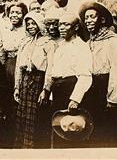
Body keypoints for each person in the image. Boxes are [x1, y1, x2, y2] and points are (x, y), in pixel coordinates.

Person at [79, 1, 117, 147]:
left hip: (106, 87)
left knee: (108, 131)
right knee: (92, 130)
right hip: (91, 90)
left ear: (102, 20)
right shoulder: (89, 43)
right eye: (86, 18)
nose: (88, 21)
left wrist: (113, 98)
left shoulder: (113, 42)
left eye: (92, 17)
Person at [42, 12, 93, 148]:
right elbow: (54, 71)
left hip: (70, 90)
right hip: (58, 91)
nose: (62, 28)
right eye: (60, 25)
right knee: (59, 127)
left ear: (76, 27)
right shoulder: (60, 45)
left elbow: (85, 75)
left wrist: (75, 99)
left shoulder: (81, 46)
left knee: (72, 129)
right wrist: (47, 90)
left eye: (66, 24)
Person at [14, 11, 52, 148]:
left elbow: (50, 67)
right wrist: (17, 87)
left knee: (35, 118)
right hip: (25, 81)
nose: (30, 26)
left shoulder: (48, 43)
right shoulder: (25, 42)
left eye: (33, 23)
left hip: (38, 81)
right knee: (23, 117)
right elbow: (19, 66)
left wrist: (46, 89)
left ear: (39, 24)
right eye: (28, 24)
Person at [0, 2, 28, 147]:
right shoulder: (4, 30)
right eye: (12, 13)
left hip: (22, 65)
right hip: (8, 66)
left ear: (23, 15)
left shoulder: (27, 30)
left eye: (18, 13)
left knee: (20, 100)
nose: (14, 15)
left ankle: (21, 138)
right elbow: (1, 52)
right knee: (7, 101)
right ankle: (7, 138)